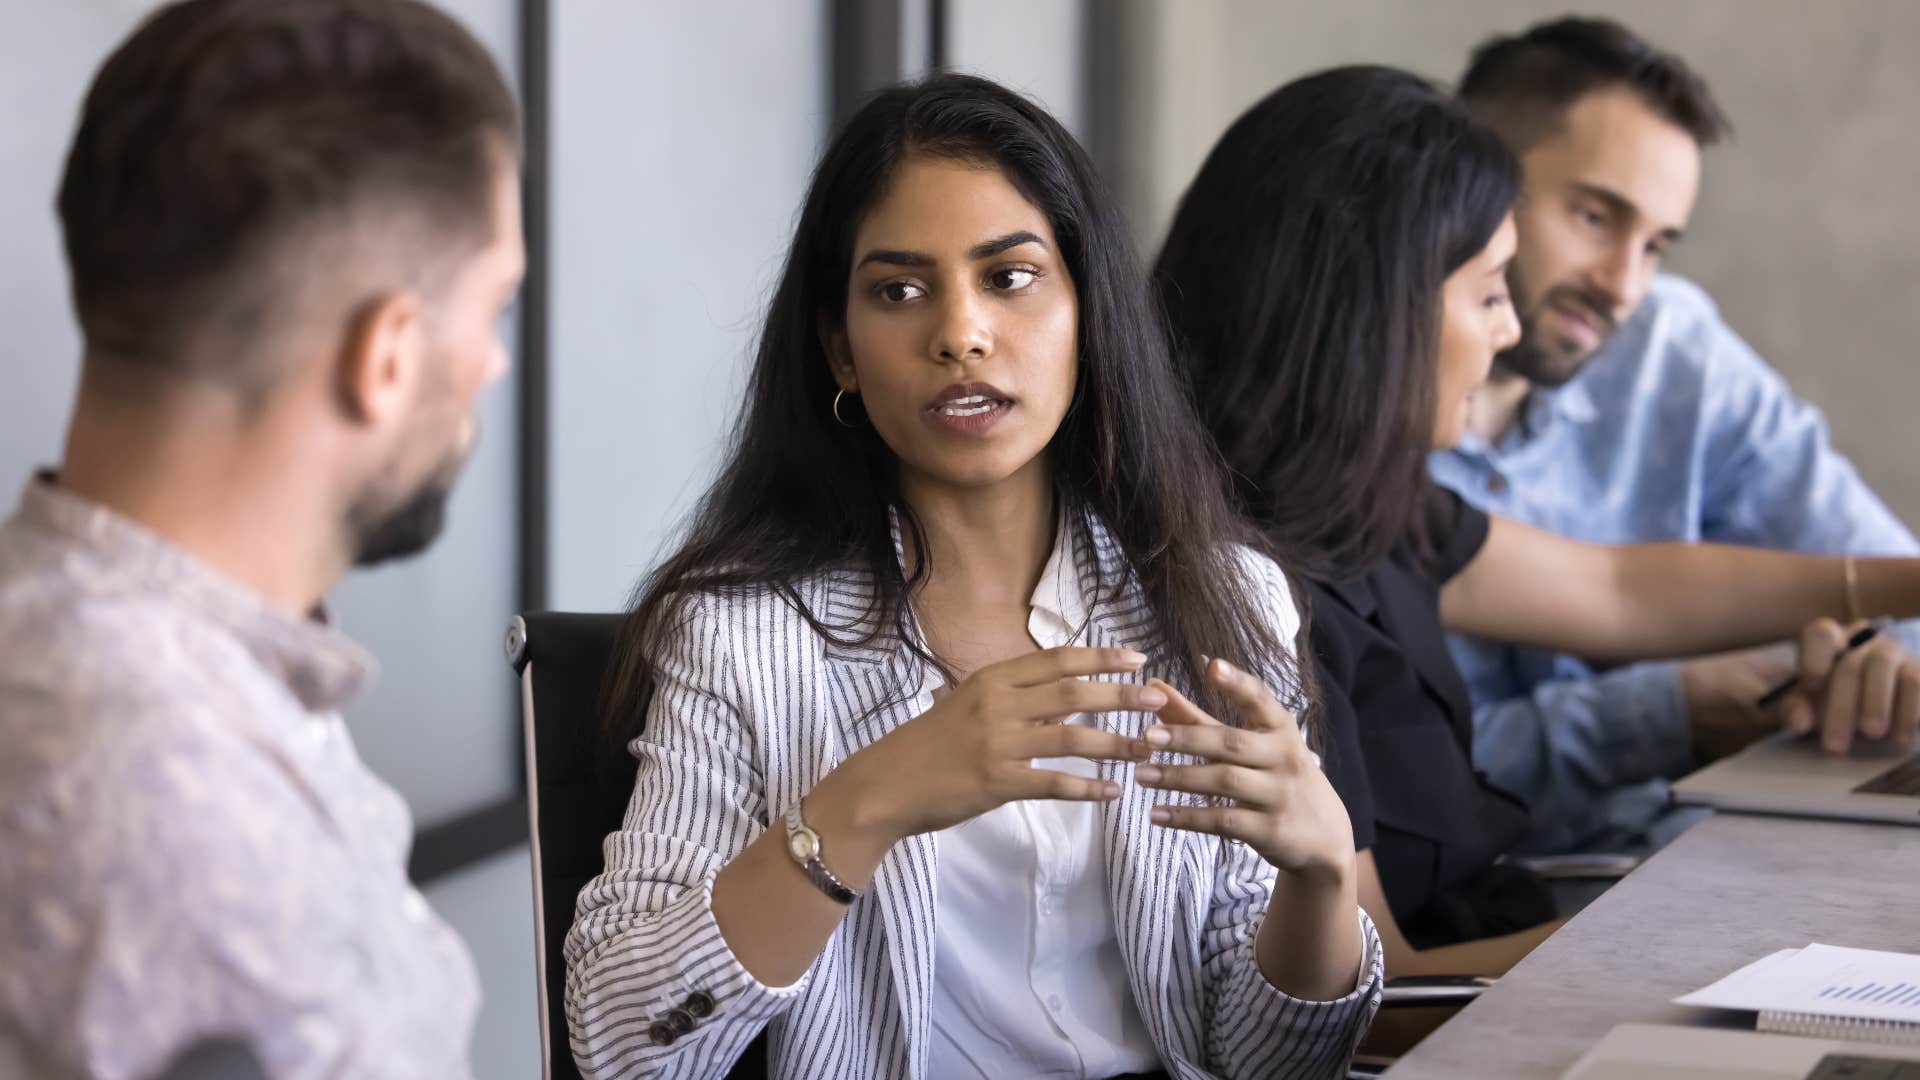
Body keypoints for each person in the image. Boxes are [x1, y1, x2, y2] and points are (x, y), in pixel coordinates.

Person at [565, 73, 1382, 1080]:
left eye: (1010, 277)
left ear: (1087, 311)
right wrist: (867, 802)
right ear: (841, 352)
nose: (960, 334)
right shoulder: (740, 633)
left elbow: (1270, 1062)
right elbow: (622, 1044)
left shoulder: (1224, 595)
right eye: (899, 291)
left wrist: (1315, 876)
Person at [1155, 64, 1920, 982]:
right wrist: (1715, 935)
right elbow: (1373, 989)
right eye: (1487, 294)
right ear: (1375, 312)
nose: (1509, 331)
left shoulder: (1362, 501)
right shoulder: (1246, 594)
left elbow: (1619, 590)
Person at [0, 1, 524, 1076]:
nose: (493, 365)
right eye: (494, 309)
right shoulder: (182, 814)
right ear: (386, 355)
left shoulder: (63, 643)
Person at [1432, 16, 1920, 855]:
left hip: (1701, 862)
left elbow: (1882, 586)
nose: (1624, 286)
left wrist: (1880, 664)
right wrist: (1667, 714)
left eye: (1656, 245)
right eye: (1593, 216)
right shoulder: (1354, 431)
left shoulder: (1672, 348)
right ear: (1469, 181)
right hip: (1480, 913)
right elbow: (1396, 785)